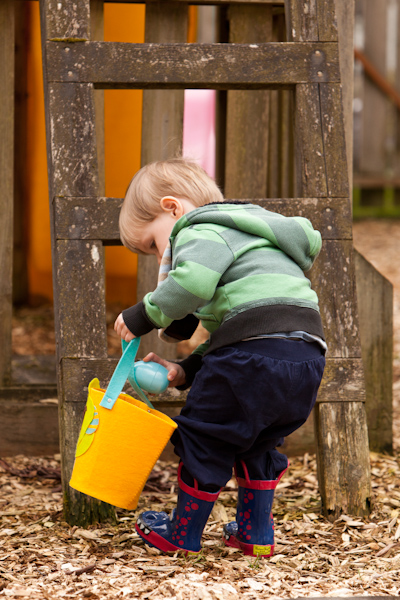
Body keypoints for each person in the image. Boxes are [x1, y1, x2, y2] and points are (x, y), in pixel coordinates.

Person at [114, 158, 326, 557]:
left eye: (152, 245)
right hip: (305, 358)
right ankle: (255, 534)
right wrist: (184, 370)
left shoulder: (200, 230)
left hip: (253, 356)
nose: (160, 258)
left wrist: (144, 313)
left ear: (172, 208)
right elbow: (238, 332)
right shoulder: (254, 238)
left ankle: (182, 533)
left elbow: (191, 283)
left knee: (203, 436)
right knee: (259, 441)